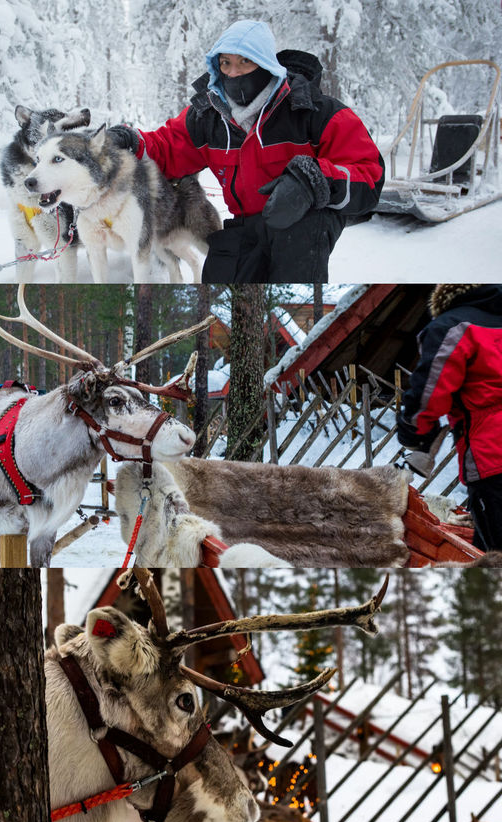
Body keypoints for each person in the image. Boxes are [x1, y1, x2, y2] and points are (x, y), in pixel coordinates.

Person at [109, 19, 384, 283]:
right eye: (225, 63)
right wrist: (132, 142)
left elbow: (369, 175)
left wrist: (313, 182)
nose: (233, 72)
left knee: (294, 252)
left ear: (265, 64)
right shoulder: (209, 115)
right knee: (221, 279)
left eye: (245, 61)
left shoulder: (314, 111)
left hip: (304, 222)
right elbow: (168, 147)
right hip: (247, 223)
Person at [396, 284, 502, 552]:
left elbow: (429, 395)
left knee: (492, 556)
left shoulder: (452, 326)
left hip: (493, 460)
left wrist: (414, 431)